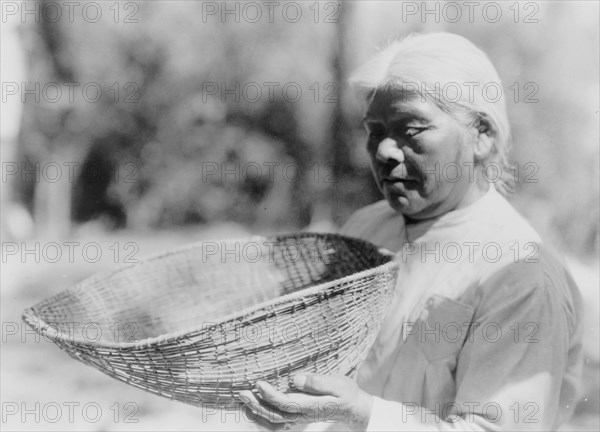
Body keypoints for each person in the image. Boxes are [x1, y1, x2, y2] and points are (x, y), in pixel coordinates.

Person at [239, 32, 583, 431]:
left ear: (482, 137)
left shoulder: (519, 275)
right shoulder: (365, 229)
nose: (384, 151)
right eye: (375, 130)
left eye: (412, 129)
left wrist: (364, 414)